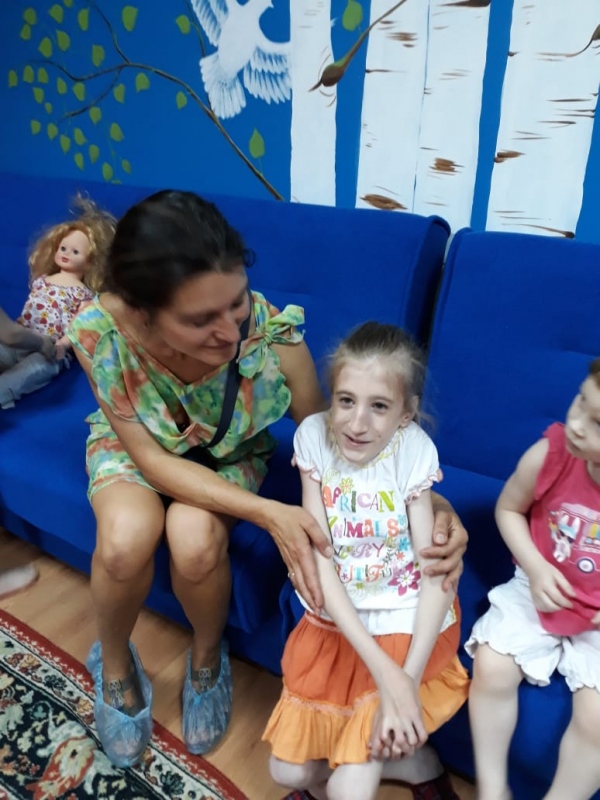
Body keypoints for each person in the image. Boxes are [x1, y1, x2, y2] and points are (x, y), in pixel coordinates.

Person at [66, 190, 468, 769]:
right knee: (125, 540)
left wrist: (433, 502)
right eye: (199, 320)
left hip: (232, 450)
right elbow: (151, 463)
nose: (229, 333)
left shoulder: (272, 336)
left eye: (235, 303)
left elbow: (342, 448)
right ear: (143, 312)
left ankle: (208, 656)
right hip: (143, 448)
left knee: (195, 539)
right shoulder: (100, 334)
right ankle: (115, 662)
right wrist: (269, 513)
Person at [263, 322, 470, 800]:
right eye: (346, 400)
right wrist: (387, 679)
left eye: (379, 406)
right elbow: (322, 559)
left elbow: (435, 572)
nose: (357, 424)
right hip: (339, 619)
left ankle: (408, 759)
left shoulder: (412, 449)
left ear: (406, 413)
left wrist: (406, 682)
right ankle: (415, 763)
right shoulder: (313, 438)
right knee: (287, 773)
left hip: (403, 621)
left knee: (349, 789)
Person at [466, 358, 600, 800]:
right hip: (537, 584)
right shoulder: (551, 453)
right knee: (491, 664)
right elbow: (509, 509)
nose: (577, 424)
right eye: (580, 400)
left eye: (598, 423)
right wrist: (537, 567)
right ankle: (492, 788)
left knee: (597, 719)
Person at [0, 195, 115, 409]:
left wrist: (63, 344)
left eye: (75, 252)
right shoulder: (43, 280)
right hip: (22, 337)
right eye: (63, 248)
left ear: (91, 263)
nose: (66, 254)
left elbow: (80, 324)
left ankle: (3, 389)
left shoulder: (84, 294)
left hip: (51, 349)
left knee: (34, 369)